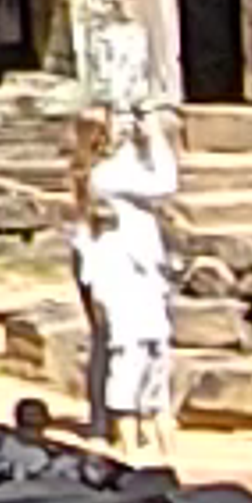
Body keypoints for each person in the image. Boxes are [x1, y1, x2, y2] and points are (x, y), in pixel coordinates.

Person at [70, 97, 179, 458]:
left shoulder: (116, 164)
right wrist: (156, 131)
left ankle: (131, 429)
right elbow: (164, 181)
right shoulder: (108, 175)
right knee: (127, 348)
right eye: (118, 121)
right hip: (117, 266)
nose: (127, 125)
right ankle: (123, 435)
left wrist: (146, 134)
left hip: (135, 265)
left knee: (148, 348)